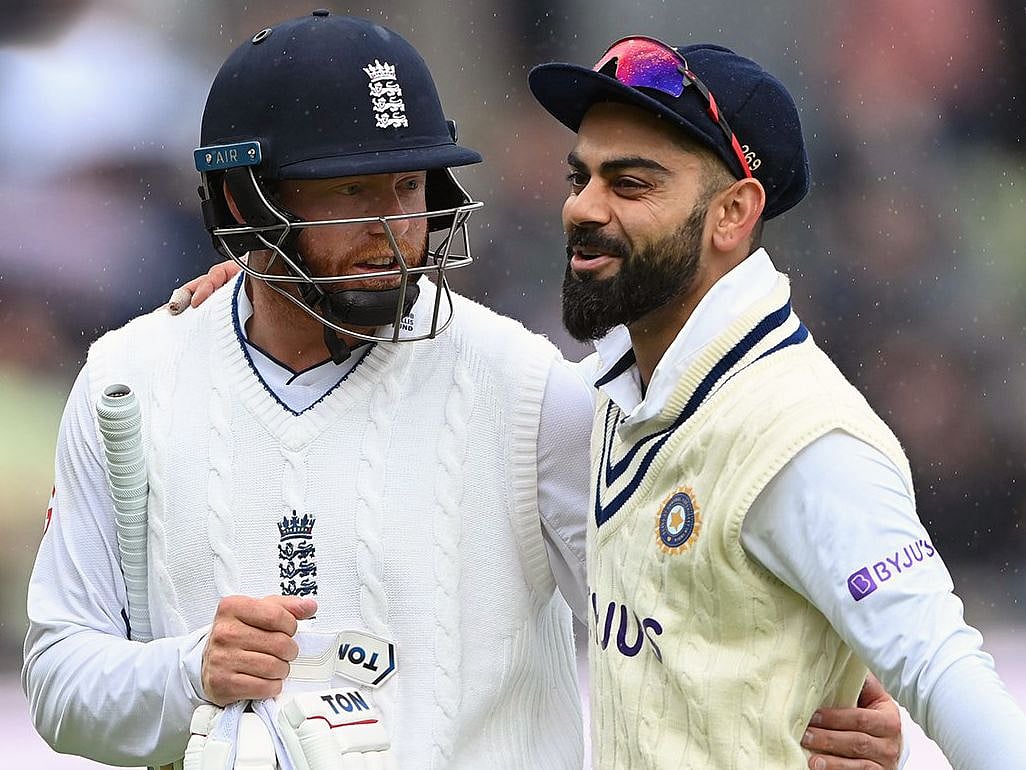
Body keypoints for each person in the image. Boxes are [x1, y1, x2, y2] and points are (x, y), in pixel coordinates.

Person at [23, 12, 902, 770]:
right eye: (350, 191)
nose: (394, 230)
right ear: (244, 203)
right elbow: (59, 683)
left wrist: (816, 687)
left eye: (408, 186)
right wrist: (188, 674)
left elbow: (682, 620)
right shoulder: (129, 382)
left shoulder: (530, 392)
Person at [523, 35, 1026, 769]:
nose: (583, 208)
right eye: (581, 176)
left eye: (631, 184)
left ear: (733, 214)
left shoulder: (803, 437)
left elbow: (942, 669)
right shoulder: (614, 397)